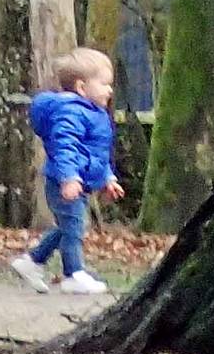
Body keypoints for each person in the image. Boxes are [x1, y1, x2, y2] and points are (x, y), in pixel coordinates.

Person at [8, 48, 126, 295]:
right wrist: (69, 177)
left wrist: (108, 178)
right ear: (82, 87)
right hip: (65, 182)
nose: (110, 90)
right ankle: (73, 273)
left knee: (67, 227)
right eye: (104, 84)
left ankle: (31, 261)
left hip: (78, 182)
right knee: (74, 226)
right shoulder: (72, 112)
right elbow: (66, 146)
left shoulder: (94, 114)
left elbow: (95, 153)